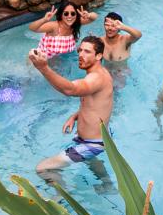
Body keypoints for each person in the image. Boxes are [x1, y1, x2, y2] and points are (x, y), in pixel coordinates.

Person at [29, 35, 114, 176]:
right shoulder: (99, 74)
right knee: (88, 159)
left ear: (99, 56)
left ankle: (60, 197)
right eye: (80, 50)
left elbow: (70, 90)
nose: (81, 55)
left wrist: (43, 68)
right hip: (95, 138)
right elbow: (95, 105)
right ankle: (107, 184)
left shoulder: (97, 78)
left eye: (87, 52)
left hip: (92, 144)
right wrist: (75, 117)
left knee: (43, 169)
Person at [28, 0, 97, 58]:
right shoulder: (54, 26)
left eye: (73, 13)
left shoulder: (76, 23)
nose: (69, 16)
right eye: (66, 14)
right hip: (41, 60)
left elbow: (94, 17)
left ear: (76, 15)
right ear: (61, 14)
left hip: (61, 60)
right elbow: (32, 28)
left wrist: (89, 15)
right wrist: (44, 19)